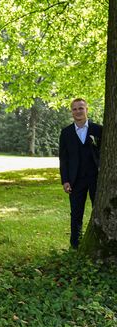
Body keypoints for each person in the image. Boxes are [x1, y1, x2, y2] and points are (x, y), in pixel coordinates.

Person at [58, 98, 102, 249]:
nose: (78, 111)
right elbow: (63, 159)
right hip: (75, 179)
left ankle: (99, 243)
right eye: (74, 109)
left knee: (100, 210)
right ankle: (75, 245)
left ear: (86, 109)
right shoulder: (66, 133)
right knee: (76, 213)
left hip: (96, 178)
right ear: (71, 112)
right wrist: (65, 180)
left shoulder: (98, 130)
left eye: (80, 108)